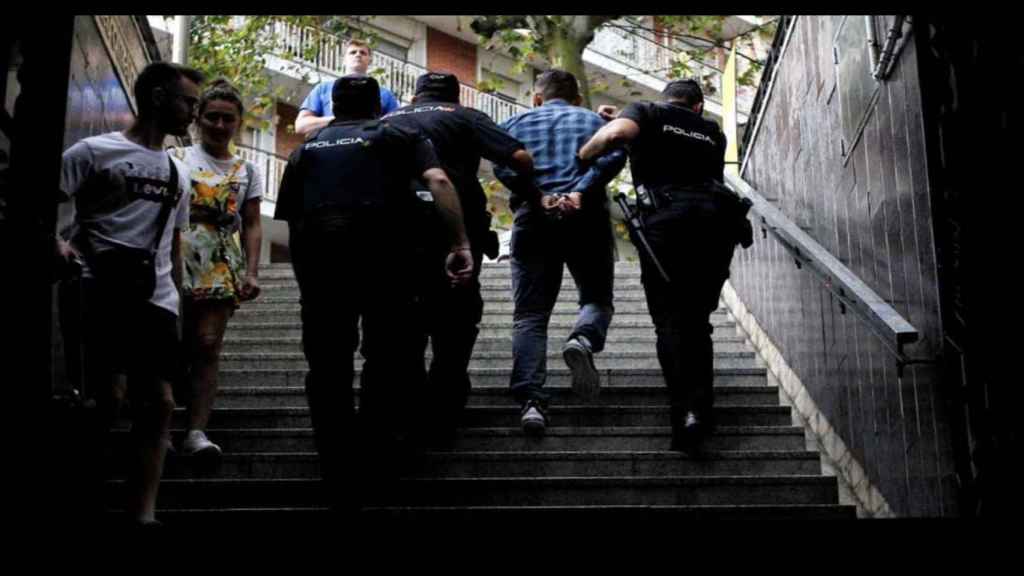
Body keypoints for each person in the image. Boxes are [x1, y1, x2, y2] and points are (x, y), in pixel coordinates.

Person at [273, 75, 473, 512]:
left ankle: (335, 462)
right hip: (388, 263)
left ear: (334, 107)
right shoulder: (399, 133)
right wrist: (459, 243)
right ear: (379, 107)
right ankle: (380, 454)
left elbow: (291, 219)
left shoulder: (305, 150)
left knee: (327, 363)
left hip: (323, 265)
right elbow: (438, 181)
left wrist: (306, 278)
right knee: (388, 356)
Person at [55, 61, 202, 525]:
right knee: (107, 399)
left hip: (155, 299)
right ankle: (83, 495)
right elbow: (47, 205)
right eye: (188, 102)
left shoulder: (178, 174)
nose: (192, 113)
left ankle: (143, 513)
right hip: (100, 288)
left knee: (159, 402)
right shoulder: (93, 151)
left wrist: (176, 301)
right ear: (158, 97)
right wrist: (58, 243)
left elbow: (174, 245)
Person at [579, 78, 749, 454]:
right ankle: (701, 412)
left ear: (665, 99)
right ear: (698, 106)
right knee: (696, 321)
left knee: (670, 319)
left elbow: (617, 135)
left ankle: (685, 415)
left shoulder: (648, 112)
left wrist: (585, 153)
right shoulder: (711, 131)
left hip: (668, 228)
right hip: (716, 226)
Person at [381, 72, 534, 444]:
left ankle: (407, 406)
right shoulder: (466, 116)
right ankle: (444, 407)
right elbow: (519, 157)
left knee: (402, 322)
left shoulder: (387, 121)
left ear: (414, 95)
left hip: (394, 232)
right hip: (455, 229)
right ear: (454, 96)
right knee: (455, 321)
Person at [492, 69, 626, 436]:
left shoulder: (513, 122)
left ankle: (532, 403)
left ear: (537, 97)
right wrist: (581, 190)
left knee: (530, 316)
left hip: (533, 219)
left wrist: (538, 196)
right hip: (586, 219)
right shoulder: (592, 121)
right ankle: (582, 338)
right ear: (577, 97)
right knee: (597, 298)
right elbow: (614, 157)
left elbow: (502, 164)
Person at [170, 80, 263, 459]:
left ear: (238, 123)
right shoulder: (176, 157)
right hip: (176, 256)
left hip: (222, 263)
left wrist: (251, 272)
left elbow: (253, 222)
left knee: (208, 346)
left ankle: (195, 431)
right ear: (198, 119)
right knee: (171, 345)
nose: (219, 125)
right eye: (212, 117)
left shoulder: (248, 169)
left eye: (228, 119)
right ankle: (159, 425)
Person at [294, 38, 399, 137]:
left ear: (370, 60)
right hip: (332, 145)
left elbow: (397, 127)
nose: (358, 55)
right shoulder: (323, 89)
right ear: (344, 59)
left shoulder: (385, 94)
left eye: (363, 52)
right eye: (353, 52)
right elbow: (301, 125)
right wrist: (339, 120)